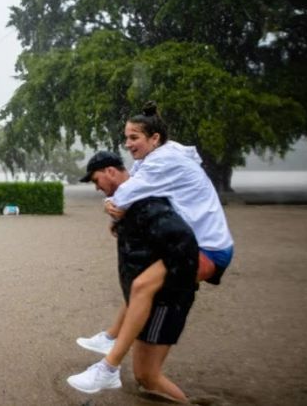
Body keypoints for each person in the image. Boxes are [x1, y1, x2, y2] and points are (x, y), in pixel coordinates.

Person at [76, 106, 235, 359]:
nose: (127, 144)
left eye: (134, 137)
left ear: (155, 138)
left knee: (142, 287)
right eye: (126, 137)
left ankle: (111, 361)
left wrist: (111, 207)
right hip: (190, 245)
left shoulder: (164, 160)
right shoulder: (150, 161)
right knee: (140, 283)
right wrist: (111, 206)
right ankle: (112, 338)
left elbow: (125, 195)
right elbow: (126, 191)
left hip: (208, 250)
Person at [67, 151, 199, 401]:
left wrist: (151, 286)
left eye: (96, 181)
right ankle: (110, 344)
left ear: (111, 171)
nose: (96, 188)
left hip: (164, 301)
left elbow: (184, 241)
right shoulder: (129, 202)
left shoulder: (146, 201)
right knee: (144, 376)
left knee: (149, 375)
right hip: (149, 301)